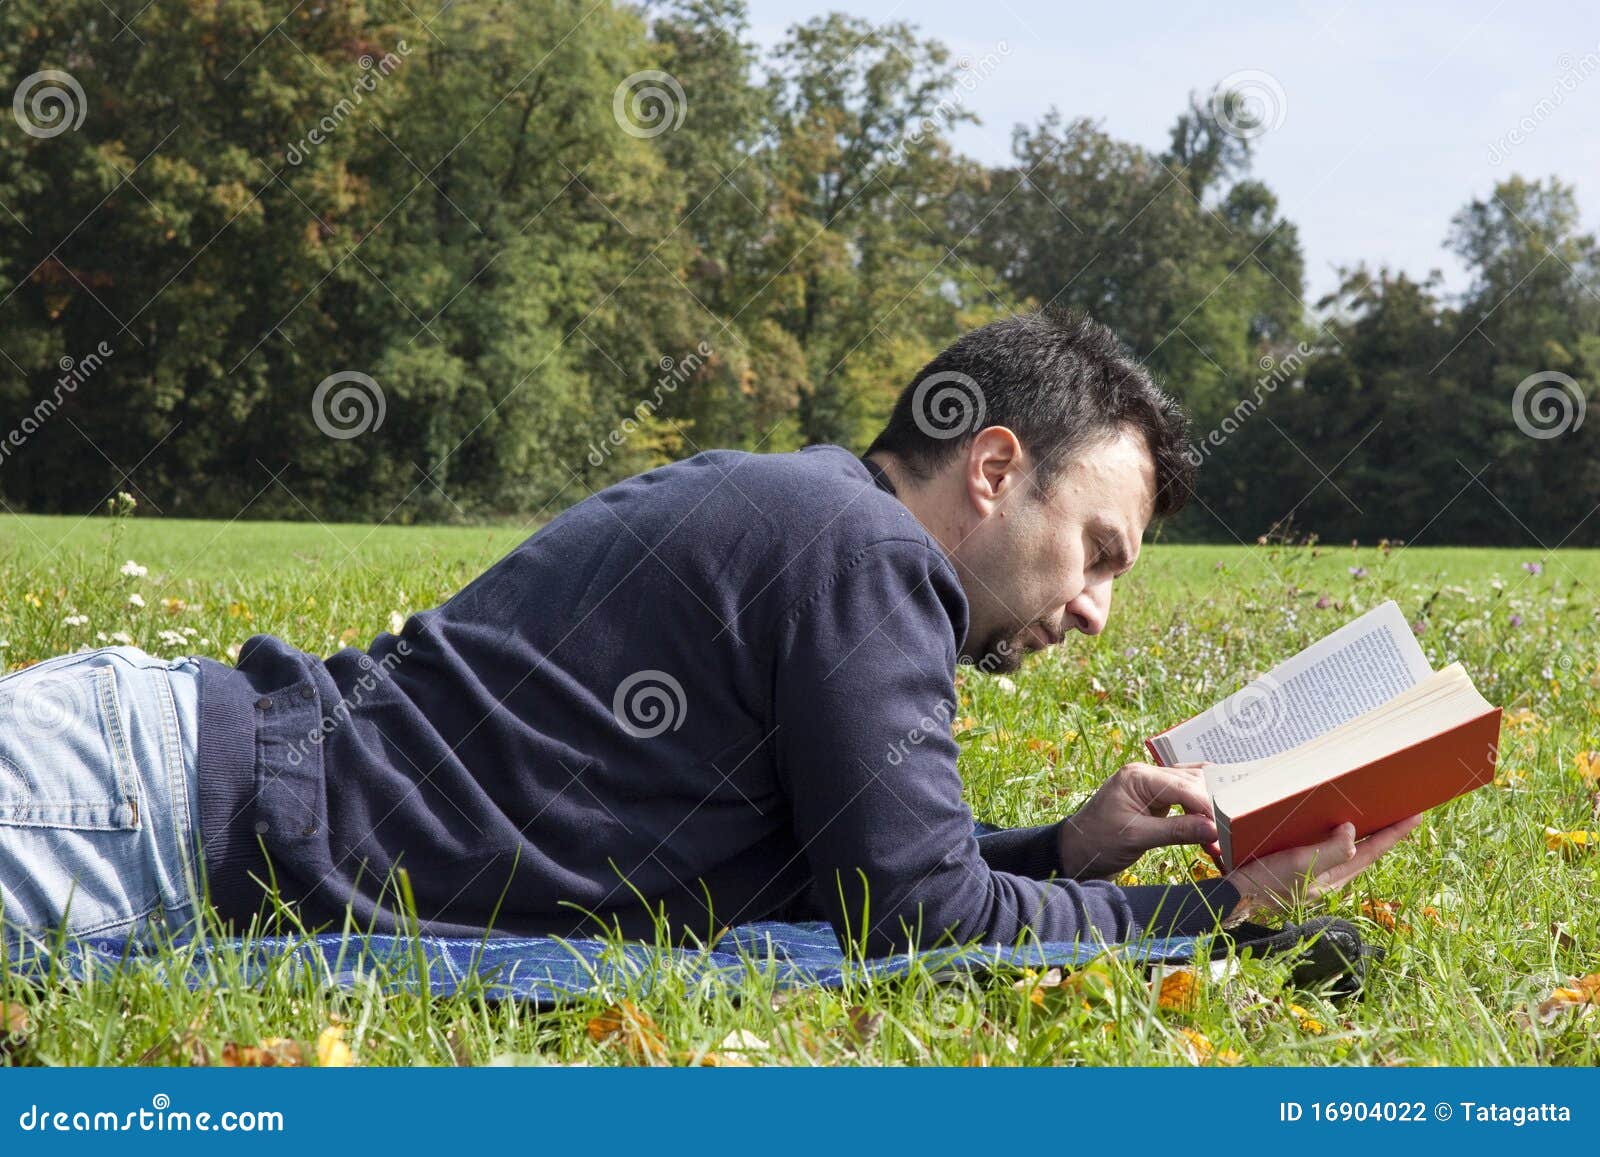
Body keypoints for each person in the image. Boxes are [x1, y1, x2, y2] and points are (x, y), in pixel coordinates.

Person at [0, 312, 1419, 957]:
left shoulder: (812, 514)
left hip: (150, 774)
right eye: (1097, 550)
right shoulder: (868, 559)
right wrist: (1217, 915)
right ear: (993, 471)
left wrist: (1075, 847)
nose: (1097, 606)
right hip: (135, 814)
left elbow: (858, 880)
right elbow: (916, 924)